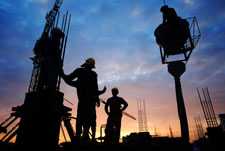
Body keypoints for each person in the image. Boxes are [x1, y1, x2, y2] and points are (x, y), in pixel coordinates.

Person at [61, 58, 106, 141]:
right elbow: (95, 89)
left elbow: (68, 79)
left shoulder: (84, 72)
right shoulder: (90, 74)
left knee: (83, 120)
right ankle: (83, 136)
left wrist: (62, 73)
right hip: (88, 102)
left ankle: (82, 136)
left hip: (86, 102)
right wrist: (98, 97)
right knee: (86, 120)